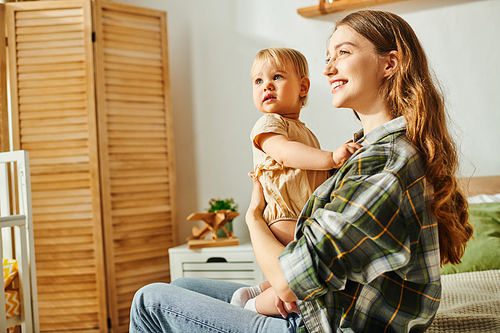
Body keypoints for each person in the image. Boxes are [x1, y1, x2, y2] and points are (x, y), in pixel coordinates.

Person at [129, 10, 473, 333]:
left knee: (149, 302)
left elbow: (287, 282)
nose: (328, 68)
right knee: (182, 286)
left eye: (343, 53)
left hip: (323, 324)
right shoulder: (363, 150)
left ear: (390, 63)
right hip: (322, 304)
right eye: (328, 58)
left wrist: (254, 220)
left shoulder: (386, 162)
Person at [230, 47, 361, 316]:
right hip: (285, 217)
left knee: (300, 280)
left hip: (302, 217)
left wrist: (340, 167)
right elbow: (284, 152)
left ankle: (253, 294)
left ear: (303, 87)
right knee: (304, 277)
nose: (266, 85)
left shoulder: (305, 132)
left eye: (276, 77)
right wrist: (332, 158)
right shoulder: (268, 124)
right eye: (258, 81)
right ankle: (251, 308)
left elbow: (317, 178)